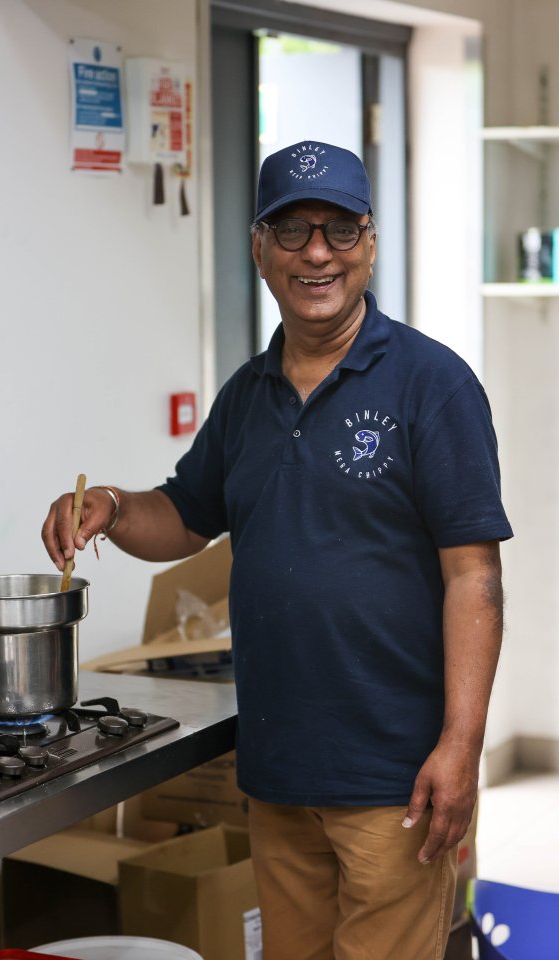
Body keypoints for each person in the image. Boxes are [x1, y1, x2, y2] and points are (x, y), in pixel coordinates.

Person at [42, 140, 512, 960]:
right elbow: (186, 515)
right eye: (292, 232)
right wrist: (111, 507)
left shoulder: (432, 386)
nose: (316, 253)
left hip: (393, 776)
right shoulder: (247, 395)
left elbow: (474, 578)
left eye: (338, 229)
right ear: (260, 250)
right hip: (279, 767)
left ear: (369, 243)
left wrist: (460, 748)